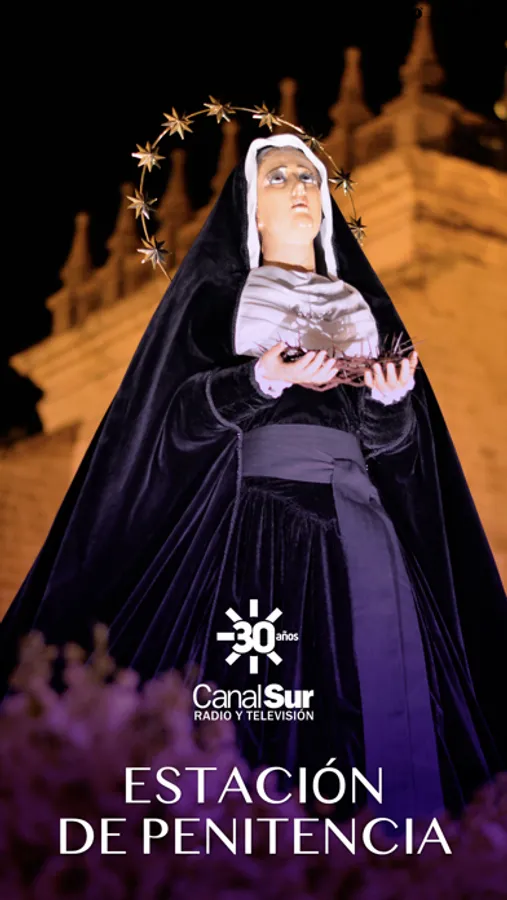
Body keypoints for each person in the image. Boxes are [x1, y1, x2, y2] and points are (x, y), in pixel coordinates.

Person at [0, 134, 505, 826]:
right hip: (255, 528)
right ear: (252, 207)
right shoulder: (218, 299)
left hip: (365, 537)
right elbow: (170, 416)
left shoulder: (364, 307)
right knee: (256, 700)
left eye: (308, 176)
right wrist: (258, 380)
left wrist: (390, 404)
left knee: (373, 706)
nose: (299, 187)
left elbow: (397, 452)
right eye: (278, 177)